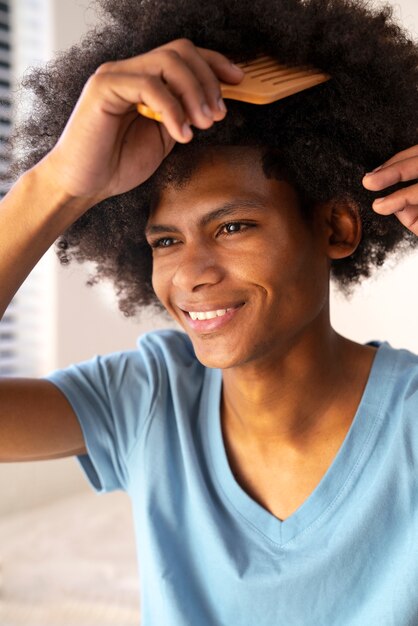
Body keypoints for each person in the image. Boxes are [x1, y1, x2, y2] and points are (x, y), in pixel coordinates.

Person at [1, 0, 418, 623]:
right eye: (165, 241)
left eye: (233, 226)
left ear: (334, 226)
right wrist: (61, 183)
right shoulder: (147, 399)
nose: (192, 273)